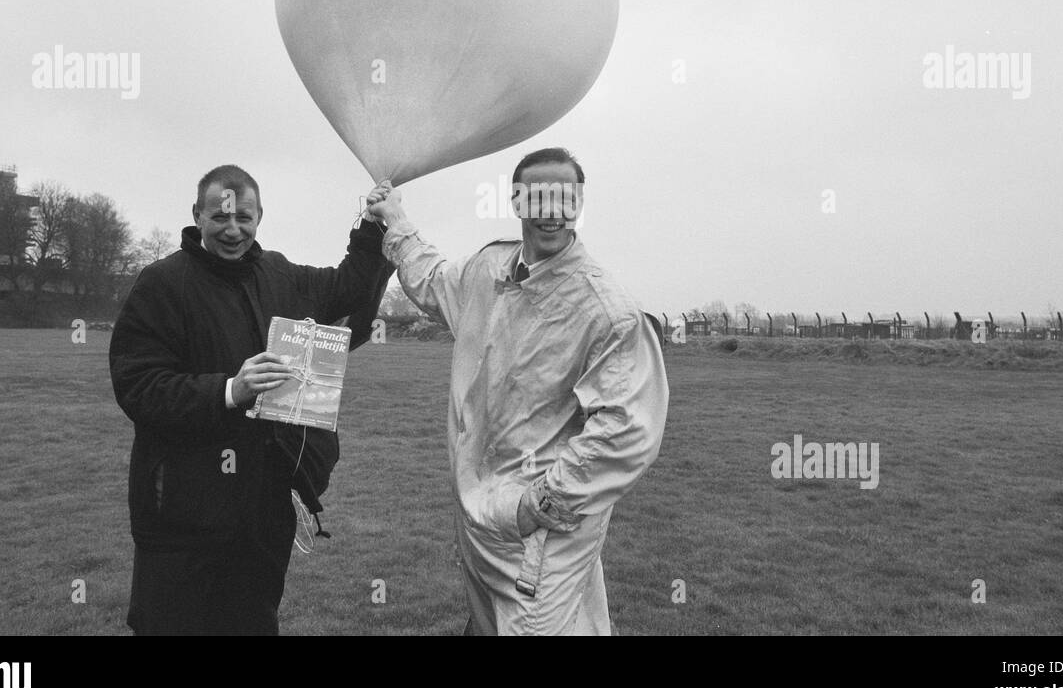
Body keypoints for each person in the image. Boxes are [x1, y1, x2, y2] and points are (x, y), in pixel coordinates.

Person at [367, 147, 668, 635]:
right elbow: (430, 279)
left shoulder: (607, 310)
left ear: (579, 203)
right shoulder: (489, 269)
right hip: (477, 519)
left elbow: (627, 430)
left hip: (539, 537)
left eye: (564, 196)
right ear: (517, 200)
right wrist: (395, 219)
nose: (551, 210)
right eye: (539, 195)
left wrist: (540, 503)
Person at [109, 165, 394, 635]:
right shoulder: (161, 283)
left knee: (252, 624)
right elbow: (137, 386)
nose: (233, 229)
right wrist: (228, 390)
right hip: (181, 511)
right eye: (220, 217)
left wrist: (374, 226)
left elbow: (350, 287)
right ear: (197, 215)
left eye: (245, 217)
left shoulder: (280, 274)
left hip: (260, 510)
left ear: (260, 216)